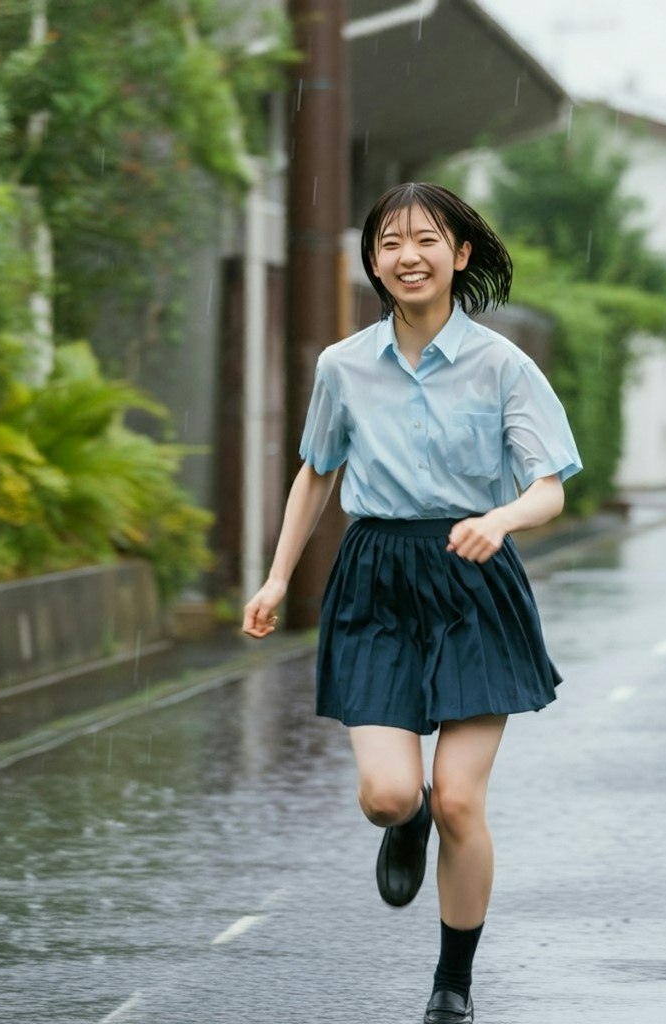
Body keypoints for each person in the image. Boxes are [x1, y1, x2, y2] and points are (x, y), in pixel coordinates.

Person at [242, 182, 581, 1024]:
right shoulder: (343, 365)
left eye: (425, 240)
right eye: (388, 243)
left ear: (459, 255)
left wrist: (498, 521)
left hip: (475, 581)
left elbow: (549, 489)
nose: (407, 256)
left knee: (465, 798)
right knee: (391, 795)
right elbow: (317, 471)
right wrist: (279, 576)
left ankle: (451, 987)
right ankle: (410, 816)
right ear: (373, 263)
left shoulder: (504, 365)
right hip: (377, 580)